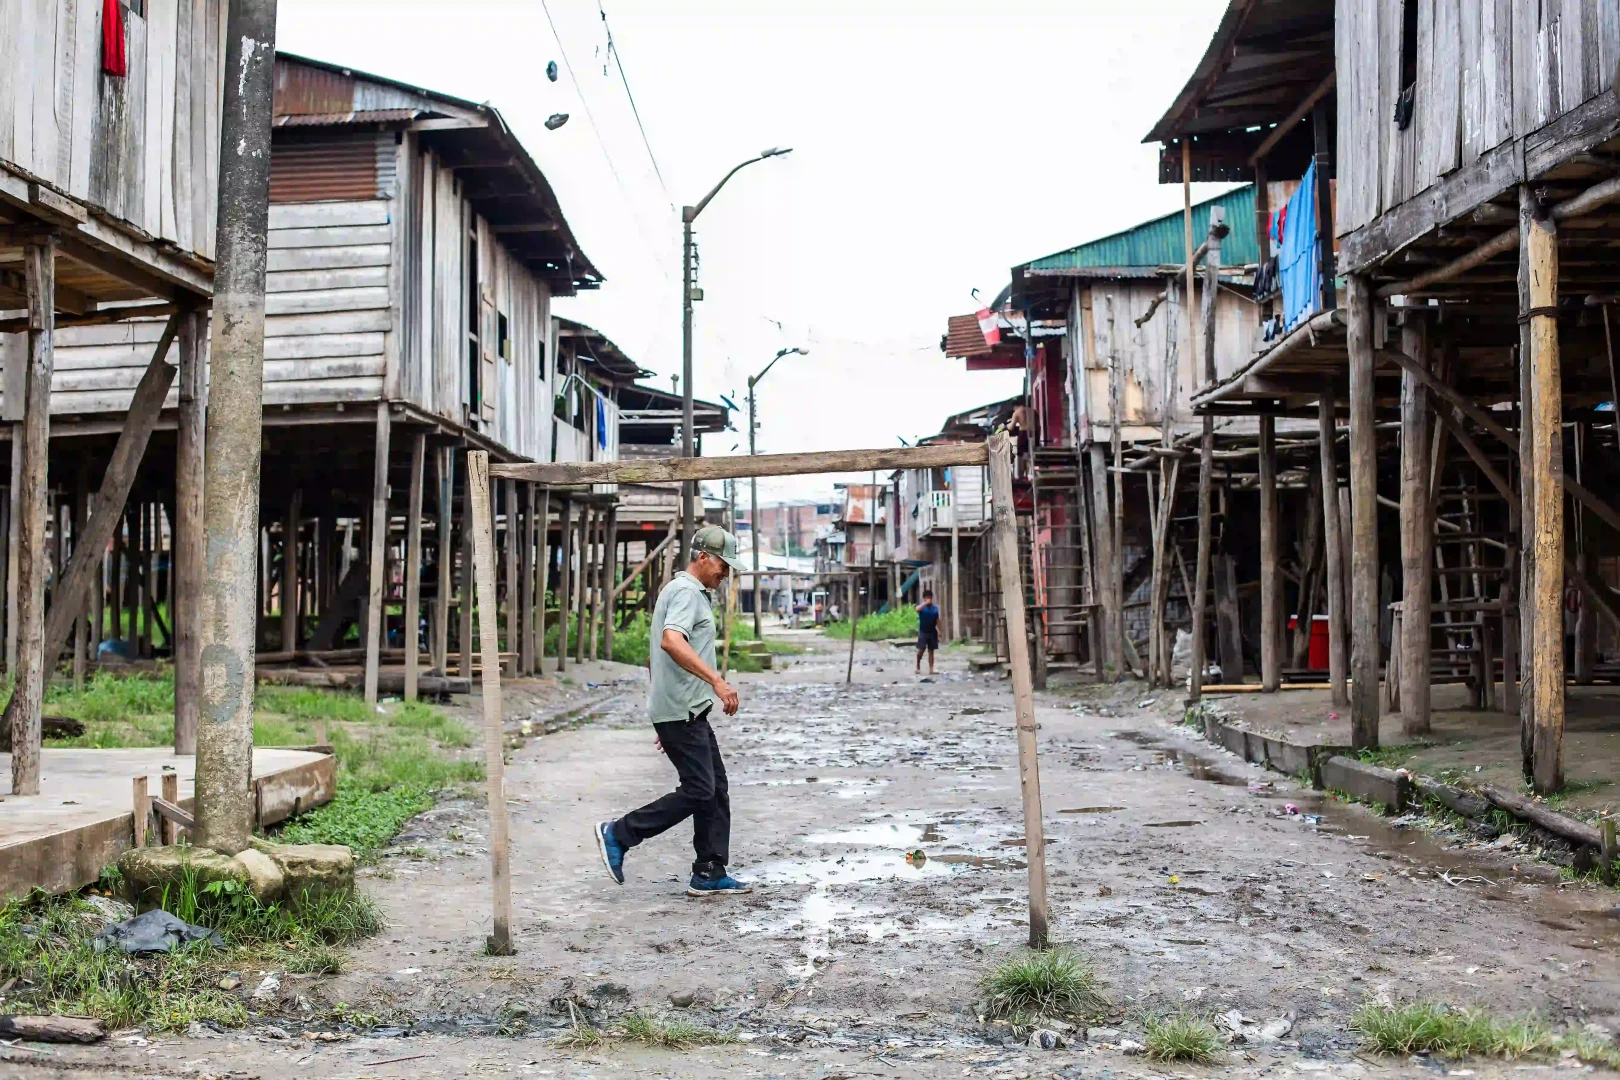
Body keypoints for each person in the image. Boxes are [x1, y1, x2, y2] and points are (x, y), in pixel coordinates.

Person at [596, 525, 752, 896]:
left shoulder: (687, 592)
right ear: (703, 557)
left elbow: (655, 657)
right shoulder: (685, 591)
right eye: (722, 565)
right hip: (682, 712)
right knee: (700, 790)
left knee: (715, 789)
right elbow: (669, 642)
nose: (725, 573)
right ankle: (619, 833)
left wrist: (665, 708)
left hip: (683, 711)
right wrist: (716, 681)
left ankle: (710, 871)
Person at [916, 590, 941, 675]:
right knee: (921, 650)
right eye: (927, 598)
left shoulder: (935, 608)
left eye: (930, 598)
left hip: (932, 632)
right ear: (924, 598)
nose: (929, 599)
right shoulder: (922, 607)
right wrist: (925, 603)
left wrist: (939, 630)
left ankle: (931, 668)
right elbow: (917, 609)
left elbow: (937, 620)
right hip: (923, 631)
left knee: (931, 651)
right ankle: (918, 666)